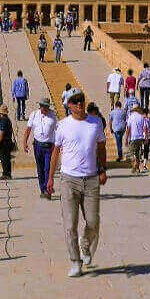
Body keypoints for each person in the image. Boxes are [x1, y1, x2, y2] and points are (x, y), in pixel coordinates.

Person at [46, 90, 107, 276]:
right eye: (74, 101)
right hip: (69, 179)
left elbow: (101, 147)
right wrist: (50, 177)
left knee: (93, 221)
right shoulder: (63, 125)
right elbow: (56, 152)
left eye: (81, 100)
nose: (79, 103)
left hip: (91, 179)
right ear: (69, 105)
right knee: (70, 225)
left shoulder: (95, 122)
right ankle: (75, 261)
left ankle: (85, 244)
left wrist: (103, 169)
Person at [23, 98, 58, 199]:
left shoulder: (53, 116)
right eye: (42, 106)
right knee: (40, 168)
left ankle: (48, 190)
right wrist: (24, 142)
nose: (43, 109)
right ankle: (42, 189)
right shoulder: (34, 115)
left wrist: (58, 145)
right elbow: (28, 129)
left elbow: (57, 131)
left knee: (47, 168)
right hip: (37, 145)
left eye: (45, 107)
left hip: (48, 146)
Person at [0, 105, 16, 180]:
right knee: (7, 158)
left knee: (4, 158)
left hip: (4, 142)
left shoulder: (3, 120)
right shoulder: (7, 119)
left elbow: (1, 132)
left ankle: (6, 174)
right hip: (8, 141)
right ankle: (8, 173)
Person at [127, 103, 148, 173]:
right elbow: (145, 128)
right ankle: (137, 168)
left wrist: (126, 138)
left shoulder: (130, 117)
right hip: (140, 137)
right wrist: (146, 138)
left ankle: (135, 165)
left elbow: (128, 128)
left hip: (133, 137)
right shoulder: (141, 117)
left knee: (132, 153)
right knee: (138, 153)